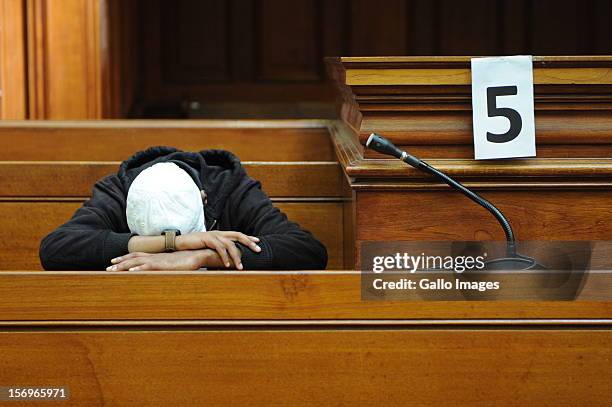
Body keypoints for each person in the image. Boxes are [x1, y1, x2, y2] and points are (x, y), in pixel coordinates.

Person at [39, 146, 327, 271]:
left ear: (204, 199)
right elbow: (55, 248)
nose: (171, 256)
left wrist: (202, 257)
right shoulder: (121, 190)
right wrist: (175, 243)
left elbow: (307, 250)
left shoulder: (230, 188)